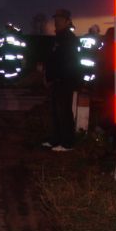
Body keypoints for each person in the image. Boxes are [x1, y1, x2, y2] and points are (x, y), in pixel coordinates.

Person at [42, 9, 78, 152]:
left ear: (67, 21)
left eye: (60, 19)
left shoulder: (69, 39)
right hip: (56, 81)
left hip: (64, 80)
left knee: (64, 112)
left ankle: (67, 143)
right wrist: (47, 75)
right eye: (56, 18)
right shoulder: (58, 38)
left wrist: (60, 76)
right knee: (56, 112)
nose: (57, 22)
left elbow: (68, 62)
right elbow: (53, 59)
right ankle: (56, 140)